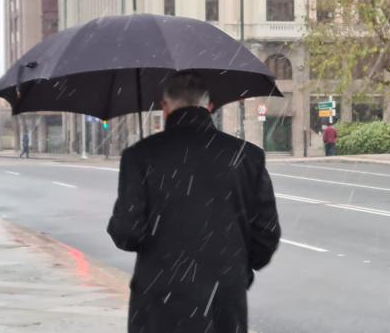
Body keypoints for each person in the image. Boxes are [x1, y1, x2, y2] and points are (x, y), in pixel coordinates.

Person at [107, 72, 281, 333]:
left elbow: (126, 232)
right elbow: (266, 232)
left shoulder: (139, 156)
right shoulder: (247, 157)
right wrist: (235, 269)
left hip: (159, 298)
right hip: (223, 297)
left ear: (165, 108)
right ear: (210, 107)